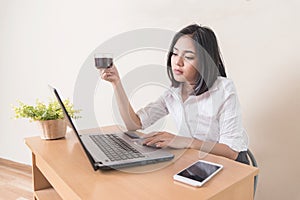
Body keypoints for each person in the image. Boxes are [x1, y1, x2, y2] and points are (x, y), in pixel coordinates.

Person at [99, 24, 249, 165]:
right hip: (197, 160)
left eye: (188, 57)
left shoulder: (224, 89)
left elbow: (231, 152)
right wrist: (116, 83)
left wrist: (185, 141)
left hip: (230, 165)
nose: (178, 61)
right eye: (175, 54)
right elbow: (134, 124)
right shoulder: (173, 93)